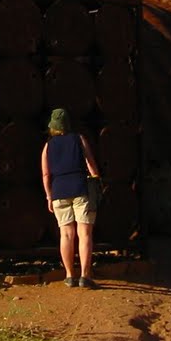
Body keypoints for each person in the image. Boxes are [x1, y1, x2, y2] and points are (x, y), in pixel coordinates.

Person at [41, 107, 101, 289]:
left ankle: (69, 275)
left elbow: (46, 174)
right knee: (84, 234)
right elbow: (91, 165)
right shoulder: (79, 139)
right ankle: (85, 275)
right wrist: (97, 183)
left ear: (53, 126)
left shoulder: (48, 146)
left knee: (66, 234)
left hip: (59, 191)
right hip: (81, 189)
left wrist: (49, 196)